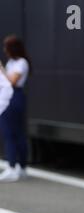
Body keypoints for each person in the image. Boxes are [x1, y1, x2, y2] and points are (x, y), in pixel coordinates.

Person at [0, 35, 30, 182]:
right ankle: (18, 166)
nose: (5, 50)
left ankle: (14, 166)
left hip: (14, 97)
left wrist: (0, 69)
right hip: (11, 96)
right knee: (13, 132)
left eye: (6, 47)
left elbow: (12, 81)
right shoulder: (12, 62)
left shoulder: (21, 62)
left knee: (12, 132)